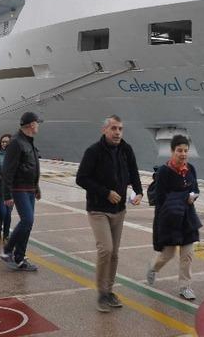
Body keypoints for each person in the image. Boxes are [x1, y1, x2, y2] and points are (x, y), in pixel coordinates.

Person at [76, 115, 144, 312]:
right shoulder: (93, 151)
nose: (117, 133)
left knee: (114, 253)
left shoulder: (126, 149)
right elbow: (81, 178)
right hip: (98, 209)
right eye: (113, 128)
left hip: (119, 209)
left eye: (120, 129)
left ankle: (109, 291)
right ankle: (102, 293)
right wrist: (105, 193)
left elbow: (133, 172)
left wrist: (139, 192)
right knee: (106, 249)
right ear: (104, 130)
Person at [146, 134, 202, 300]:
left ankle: (185, 286)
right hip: (170, 220)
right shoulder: (164, 172)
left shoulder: (191, 169)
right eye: (179, 150)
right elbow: (160, 199)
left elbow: (196, 189)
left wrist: (193, 196)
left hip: (187, 218)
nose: (183, 154)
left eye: (185, 150)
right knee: (167, 254)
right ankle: (153, 268)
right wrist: (184, 197)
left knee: (187, 255)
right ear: (172, 151)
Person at [0, 113, 43, 271]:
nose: (38, 126)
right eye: (37, 123)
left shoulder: (29, 141)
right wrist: (7, 194)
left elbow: (32, 167)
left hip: (29, 188)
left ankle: (19, 258)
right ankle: (7, 251)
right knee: (27, 220)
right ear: (31, 125)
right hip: (19, 188)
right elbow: (7, 170)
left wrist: (36, 187)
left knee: (28, 224)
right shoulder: (16, 143)